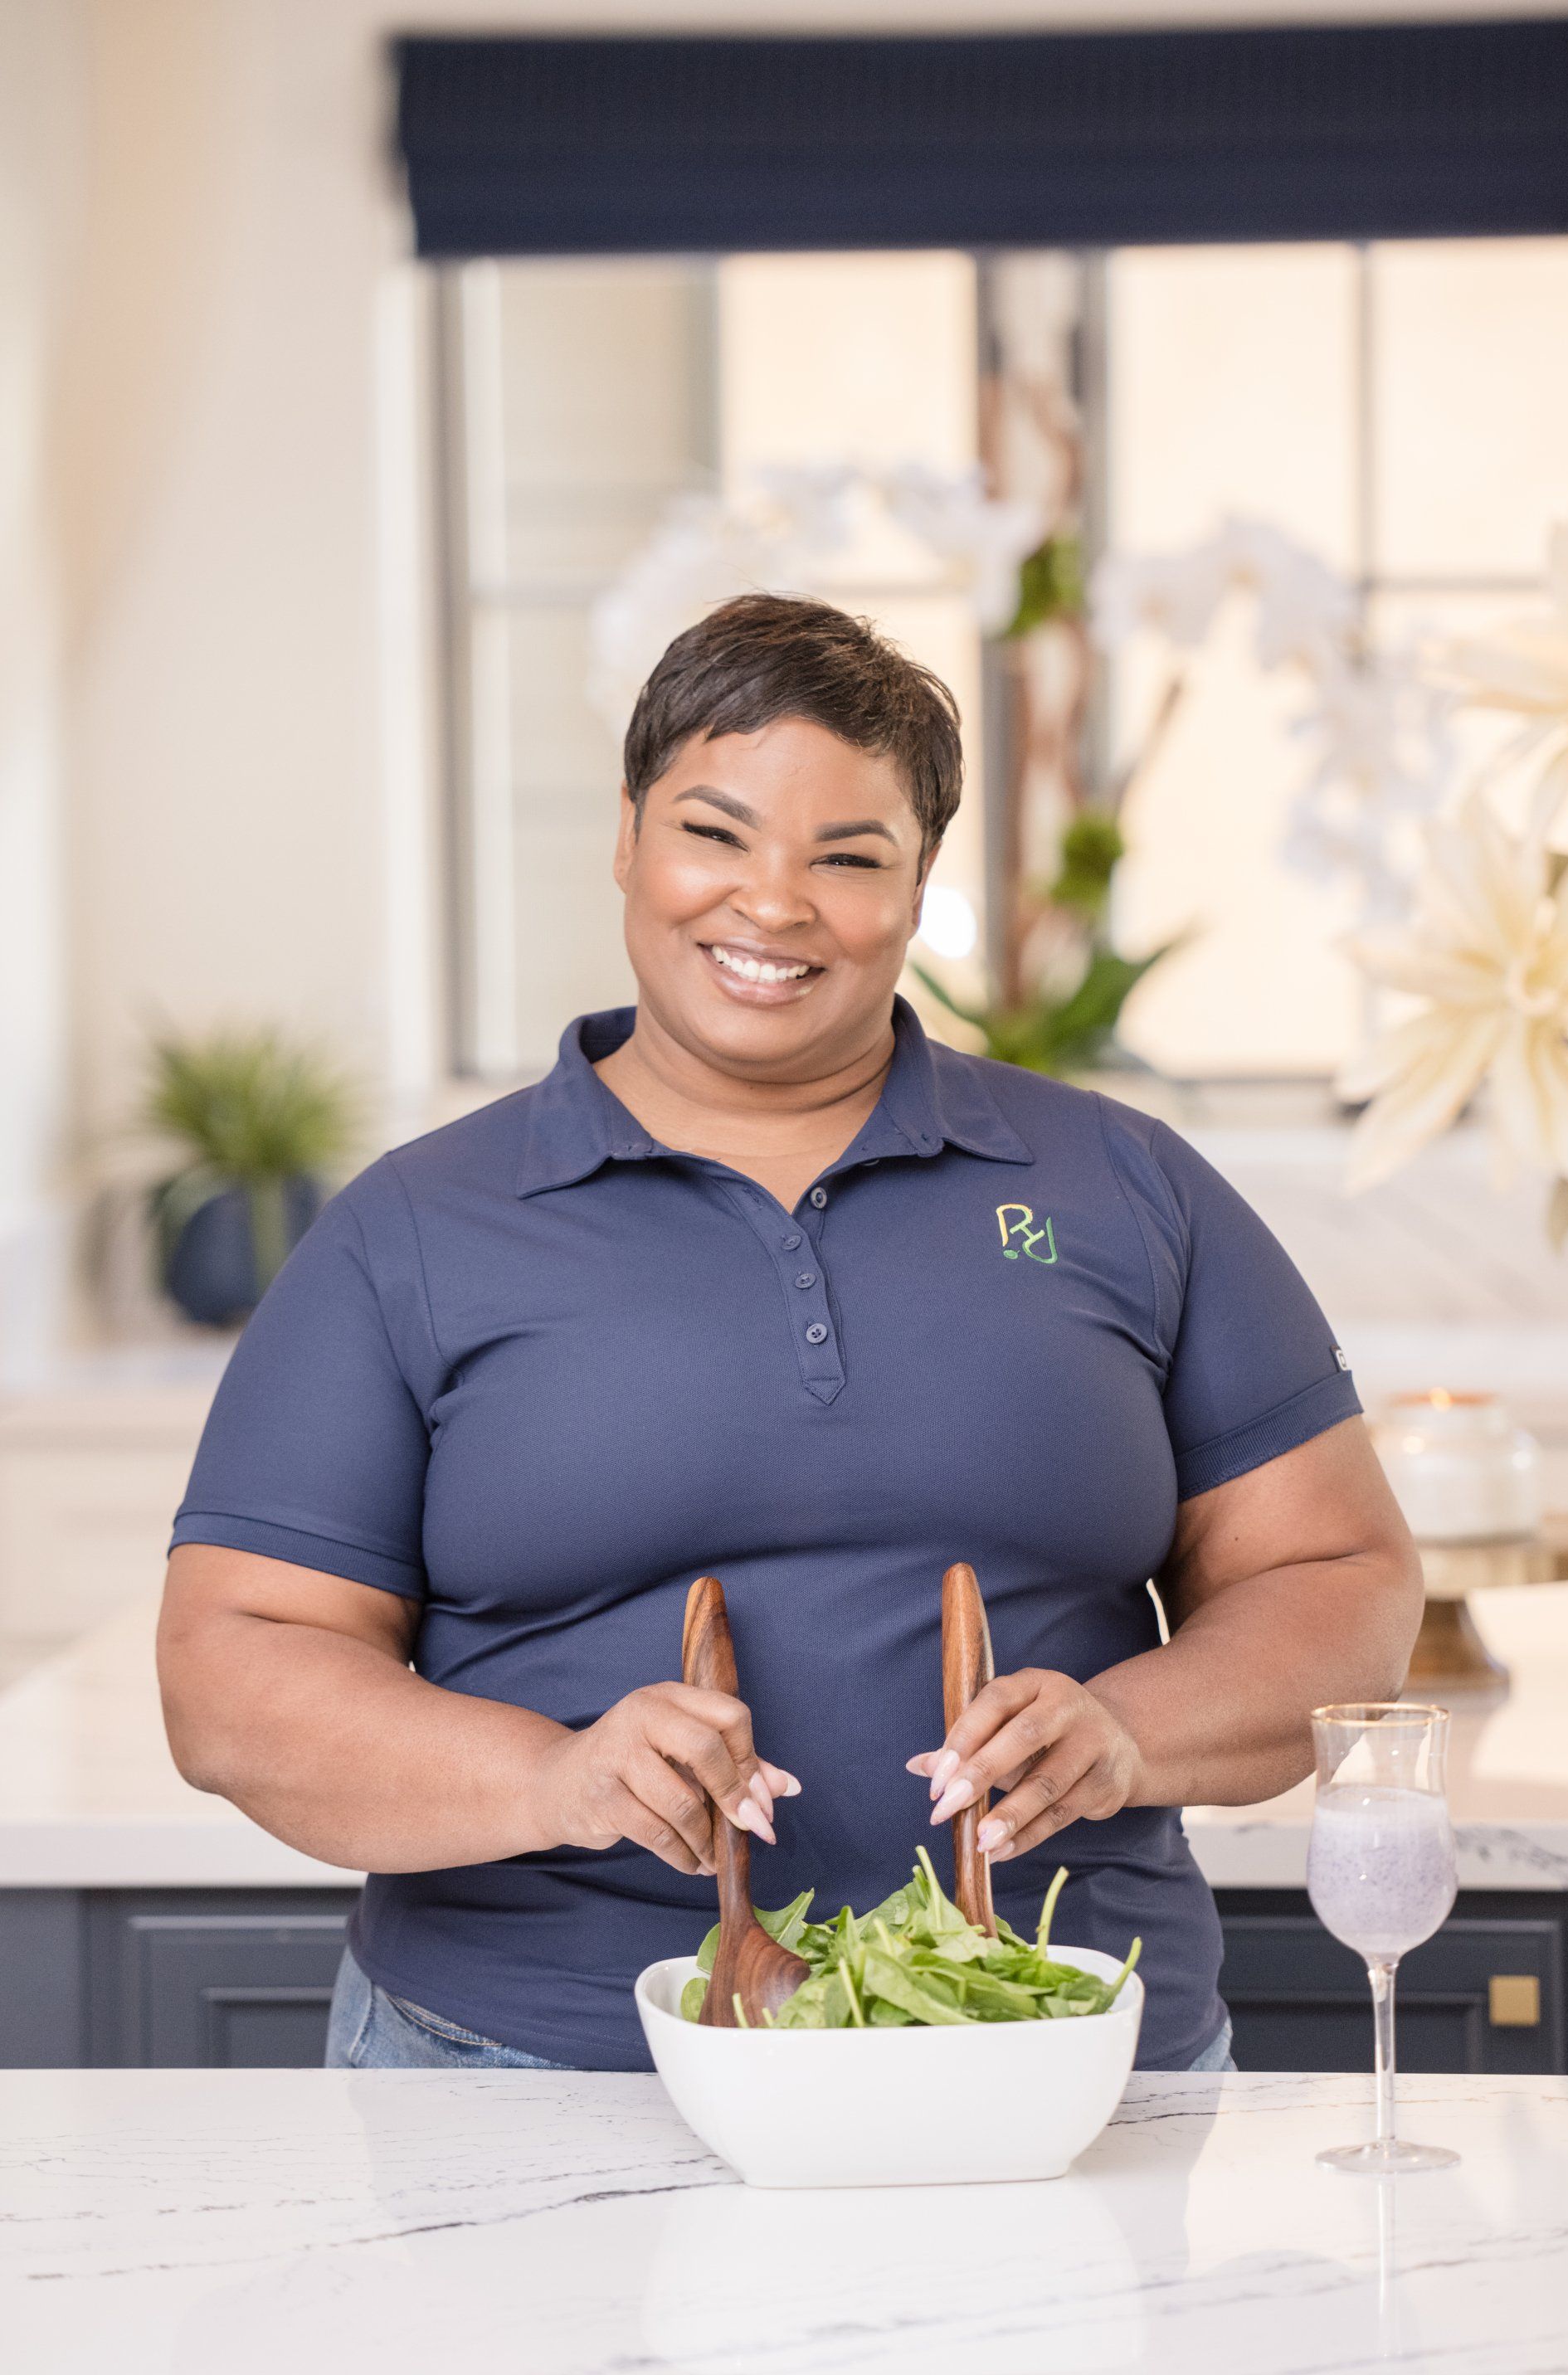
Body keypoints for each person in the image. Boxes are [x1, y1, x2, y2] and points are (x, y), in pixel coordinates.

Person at [158, 593, 1422, 2074]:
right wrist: (557, 1779)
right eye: (715, 833)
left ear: (921, 884)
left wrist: (1128, 1732)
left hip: (1054, 2064)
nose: (771, 903)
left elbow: (1339, 1576)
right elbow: (231, 1671)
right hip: (525, 2066)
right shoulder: (415, 1230)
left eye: (849, 857)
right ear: (627, 837)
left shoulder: (1124, 1185)